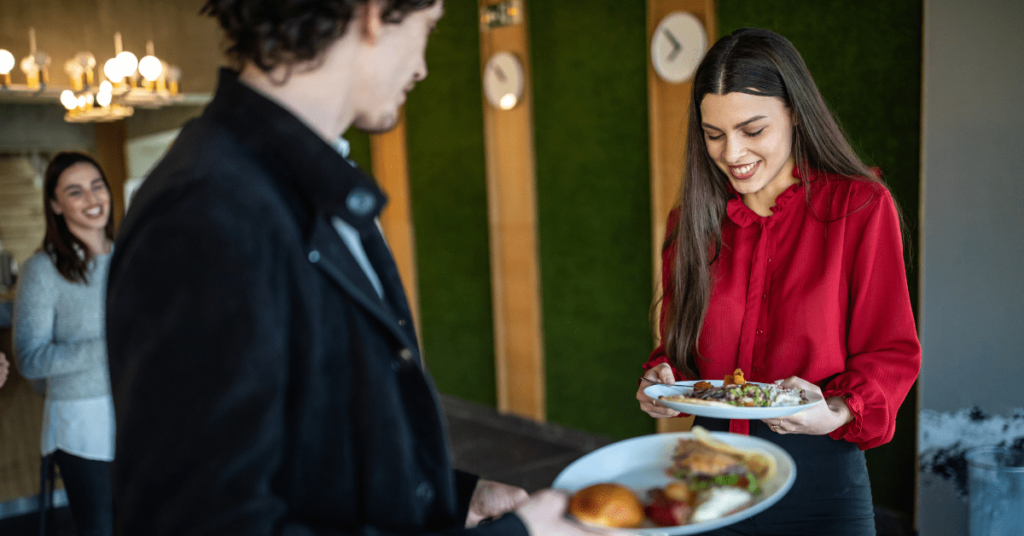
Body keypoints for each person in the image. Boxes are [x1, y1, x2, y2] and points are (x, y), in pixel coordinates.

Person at [105, 2, 607, 535]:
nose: (422, 67)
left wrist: (444, 497)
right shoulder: (205, 210)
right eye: (427, 28)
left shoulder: (305, 177)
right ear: (373, 14)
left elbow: (315, 443)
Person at [635, 28, 921, 535]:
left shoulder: (860, 208)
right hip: (708, 471)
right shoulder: (691, 223)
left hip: (821, 478)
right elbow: (680, 351)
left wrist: (835, 410)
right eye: (714, 134)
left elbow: (889, 351)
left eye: (752, 130)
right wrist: (663, 375)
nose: (731, 153)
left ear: (793, 112)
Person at [14, 151, 116, 536]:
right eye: (76, 192)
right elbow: (30, 359)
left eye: (97, 186)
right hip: (81, 423)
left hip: (139, 413)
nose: (92, 200)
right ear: (55, 205)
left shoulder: (132, 257)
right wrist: (111, 345)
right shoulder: (43, 270)